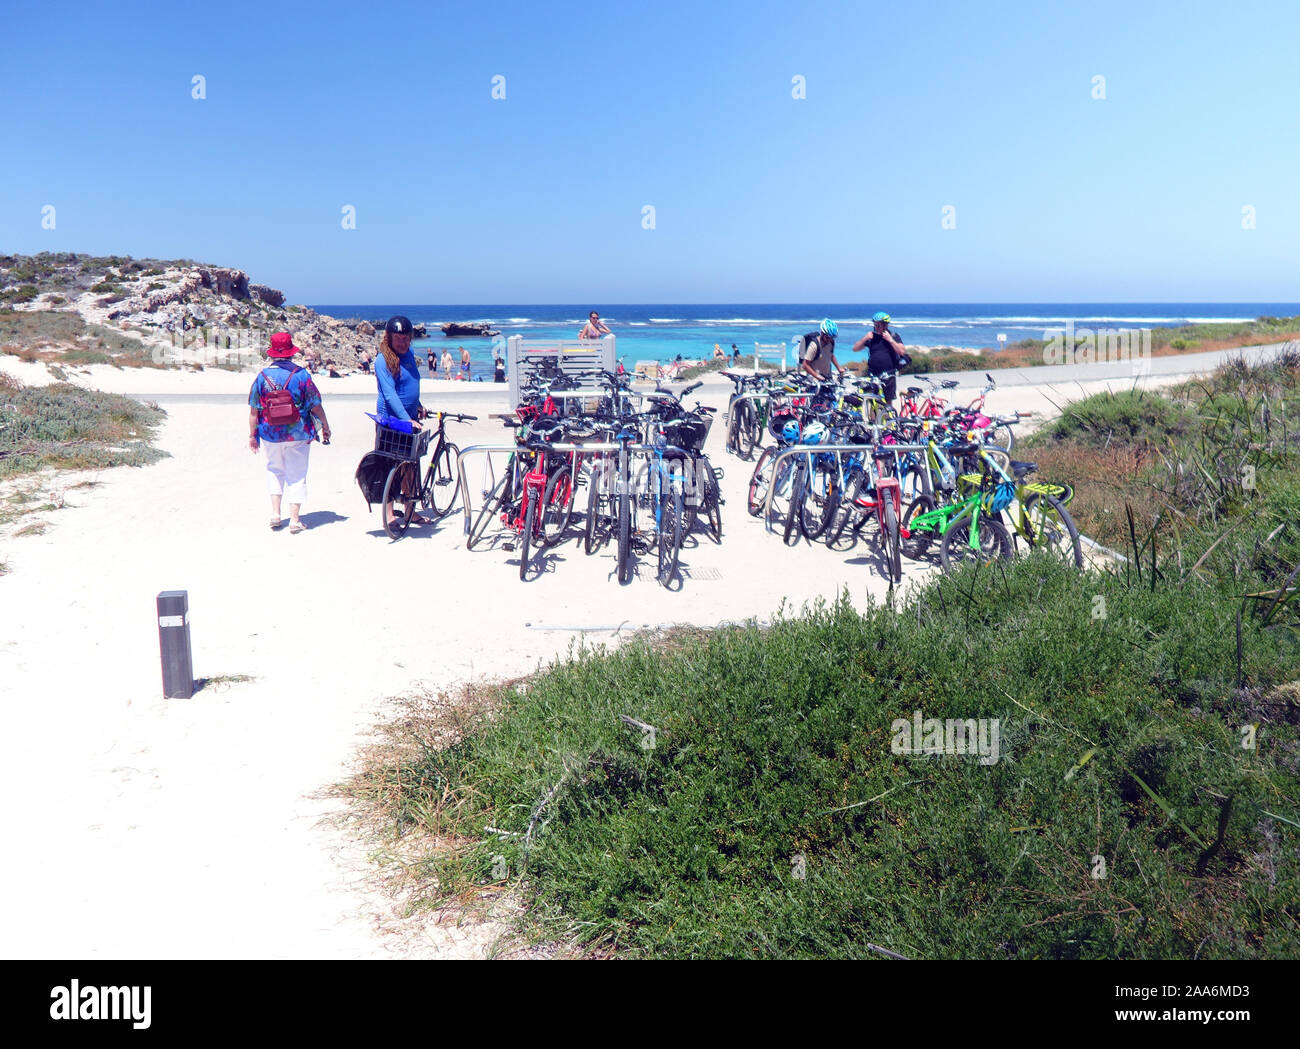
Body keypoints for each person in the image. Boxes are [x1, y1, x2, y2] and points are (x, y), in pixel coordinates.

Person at [248, 331, 330, 534]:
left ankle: (276, 514)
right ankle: (294, 519)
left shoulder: (262, 376)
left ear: (272, 352)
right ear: (291, 352)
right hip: (298, 433)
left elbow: (253, 411)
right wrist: (325, 426)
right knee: (297, 473)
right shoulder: (301, 375)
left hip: (270, 432)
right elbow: (316, 406)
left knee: (274, 469)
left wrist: (252, 435)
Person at [375, 315, 430, 526]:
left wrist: (418, 405)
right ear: (389, 337)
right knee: (388, 465)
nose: (403, 343)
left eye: (406, 338)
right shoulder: (383, 360)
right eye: (398, 338)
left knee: (410, 466)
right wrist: (407, 420)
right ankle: (389, 515)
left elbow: (409, 385)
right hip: (390, 420)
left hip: (410, 418)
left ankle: (410, 511)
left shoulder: (409, 354)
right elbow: (389, 394)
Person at [852, 311, 908, 403]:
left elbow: (902, 351)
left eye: (879, 325)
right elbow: (855, 348)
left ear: (885, 325)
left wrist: (890, 340)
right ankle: (873, 418)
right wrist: (865, 338)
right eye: (875, 325)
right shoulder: (871, 337)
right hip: (873, 375)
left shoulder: (894, 336)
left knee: (887, 402)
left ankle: (887, 417)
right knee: (872, 401)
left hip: (888, 375)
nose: (876, 327)